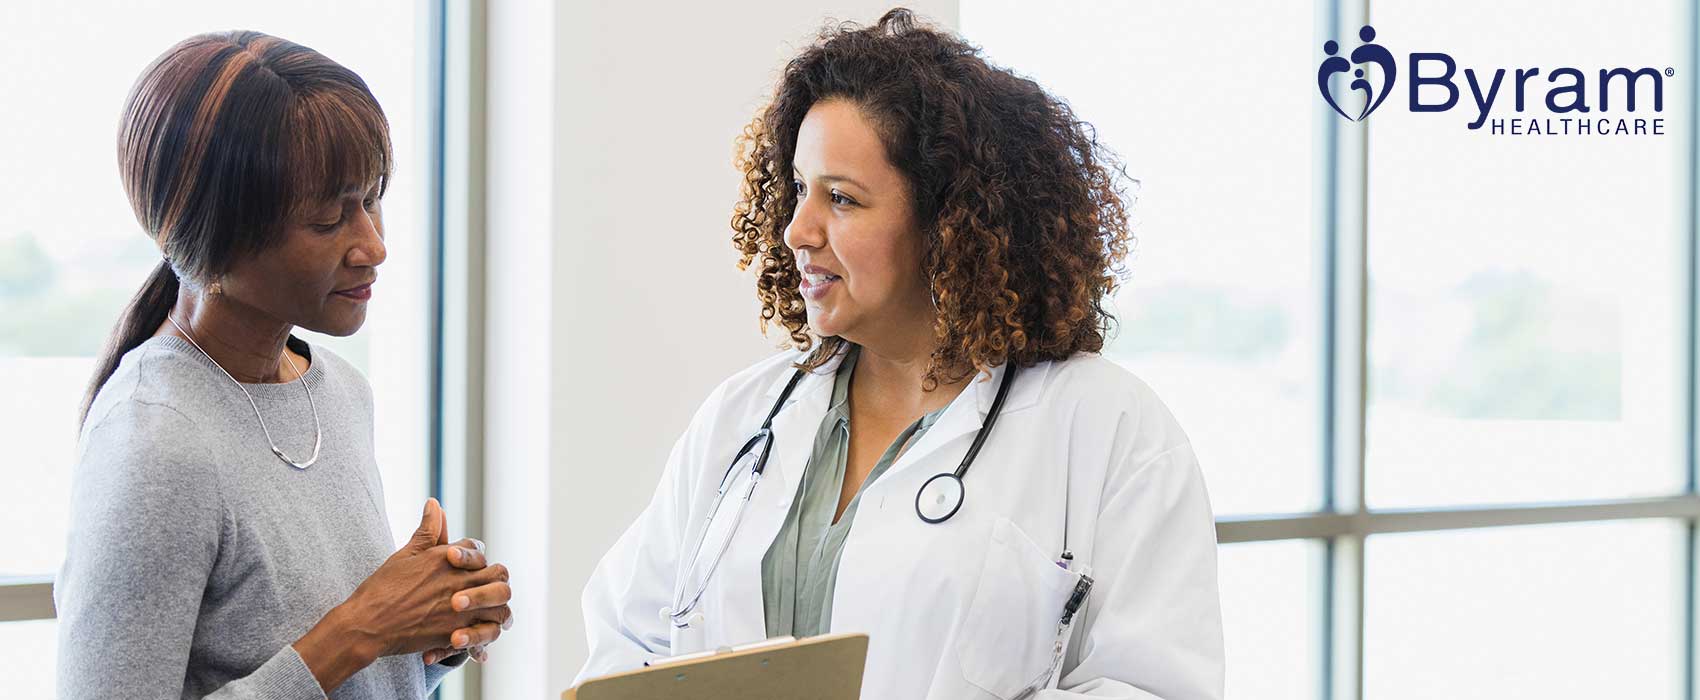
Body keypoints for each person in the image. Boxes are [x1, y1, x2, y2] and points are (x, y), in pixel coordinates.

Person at [577, 9, 1222, 699]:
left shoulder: (1107, 428)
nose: (798, 228)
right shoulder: (744, 417)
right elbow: (628, 641)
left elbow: (1157, 686)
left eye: (842, 199)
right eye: (799, 189)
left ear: (949, 224)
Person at [56, 30, 512, 698]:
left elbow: (318, 671)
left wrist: (429, 633)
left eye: (373, 199)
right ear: (218, 233)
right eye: (330, 220)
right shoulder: (155, 441)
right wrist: (359, 629)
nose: (373, 246)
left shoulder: (339, 393)